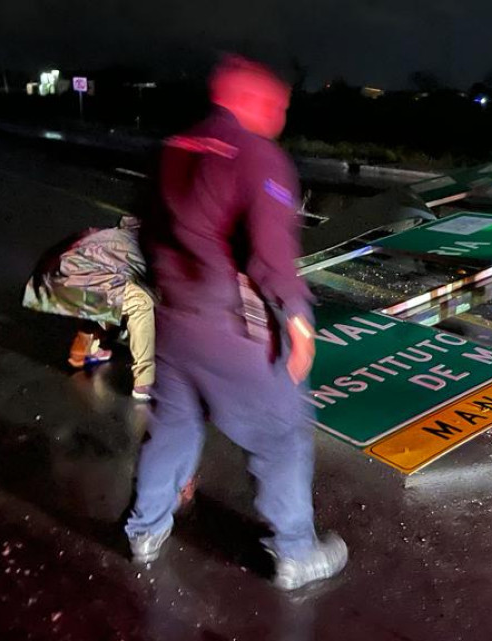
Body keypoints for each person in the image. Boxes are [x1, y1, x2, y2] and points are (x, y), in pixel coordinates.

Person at [124, 55, 347, 591]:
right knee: (282, 433)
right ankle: (295, 553)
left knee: (174, 427)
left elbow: (141, 230)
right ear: (253, 102)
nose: (281, 118)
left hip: (174, 319)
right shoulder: (258, 157)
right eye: (279, 107)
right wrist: (298, 320)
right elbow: (272, 256)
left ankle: (144, 531)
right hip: (231, 324)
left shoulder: (171, 148)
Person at [22, 216, 156, 400]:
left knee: (112, 291)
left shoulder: (128, 232)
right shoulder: (154, 247)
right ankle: (144, 382)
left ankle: (85, 348)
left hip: (59, 271)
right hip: (78, 276)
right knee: (140, 303)